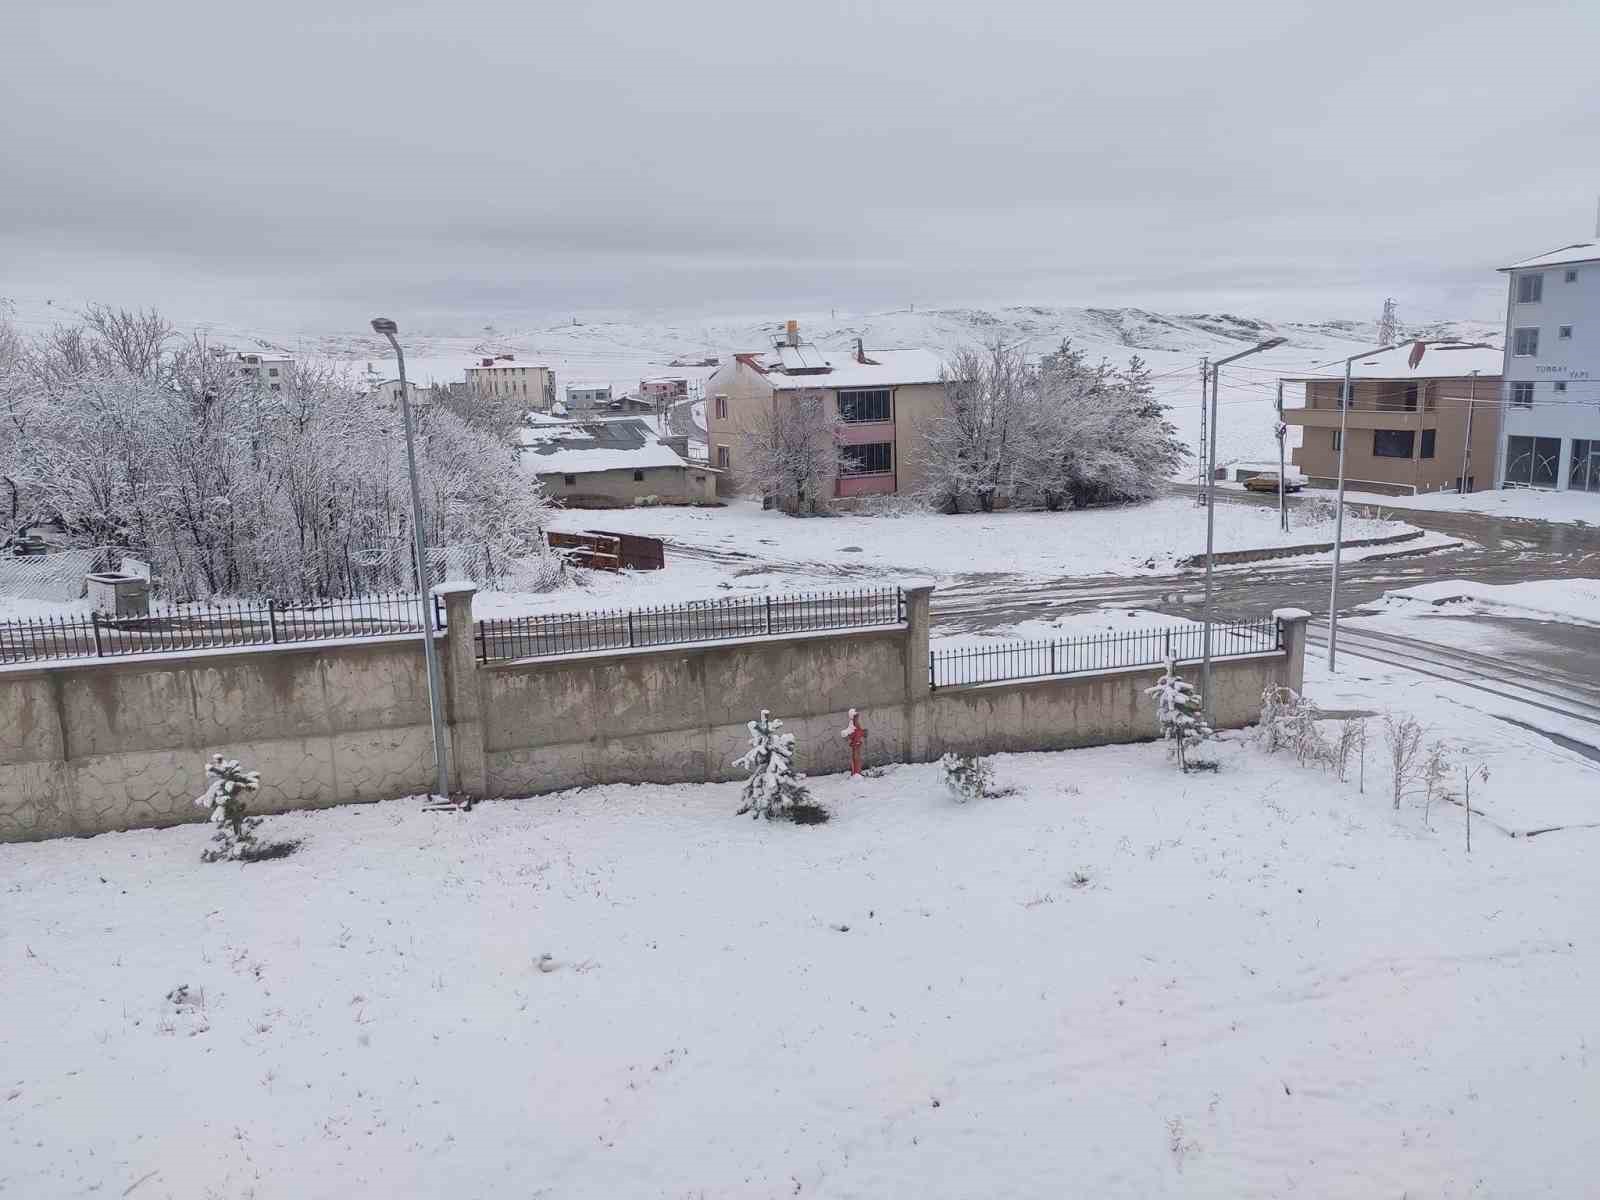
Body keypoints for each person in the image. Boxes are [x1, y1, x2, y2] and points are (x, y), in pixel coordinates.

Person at [840, 708, 867, 777]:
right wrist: (845, 734)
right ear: (852, 718)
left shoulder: (857, 726)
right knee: (855, 758)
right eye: (856, 717)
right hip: (855, 746)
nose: (857, 719)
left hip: (857, 745)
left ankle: (858, 772)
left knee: (858, 758)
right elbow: (849, 733)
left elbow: (860, 731)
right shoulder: (852, 727)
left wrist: (864, 733)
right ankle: (855, 773)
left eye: (857, 717)